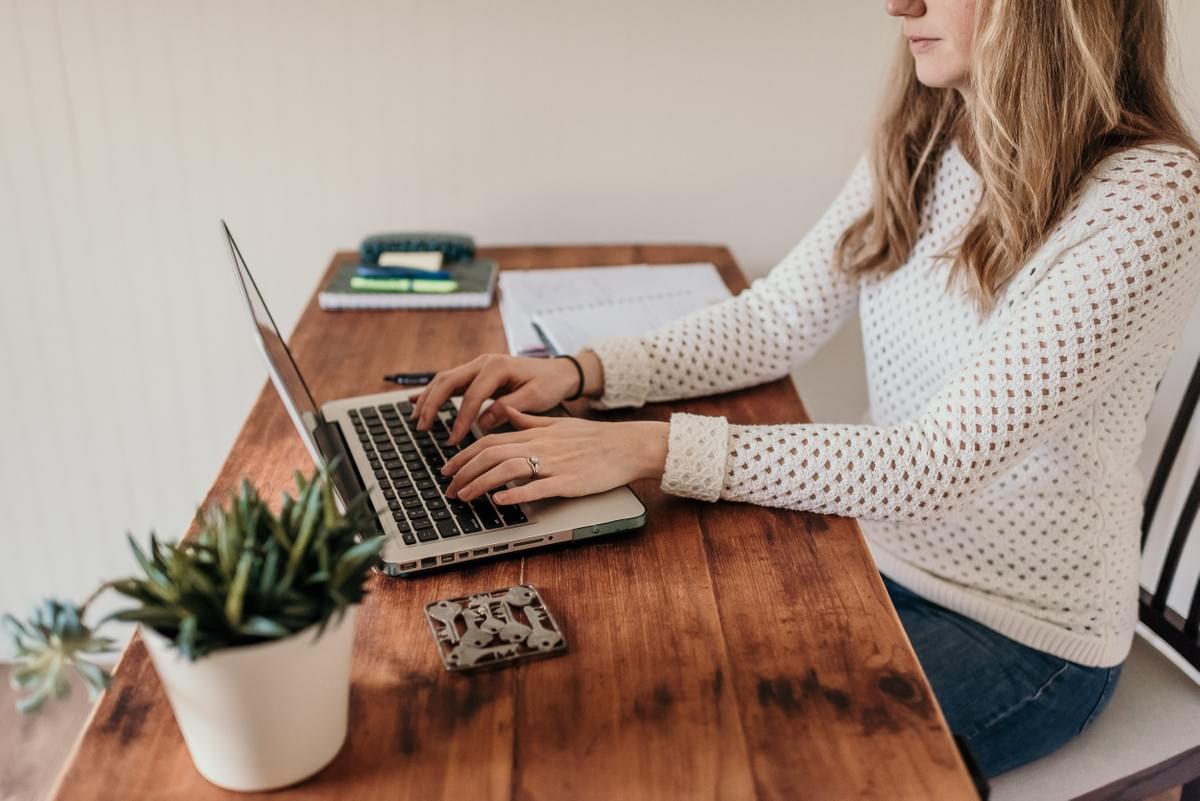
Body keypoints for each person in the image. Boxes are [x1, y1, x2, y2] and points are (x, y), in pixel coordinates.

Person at [410, 0, 1200, 777]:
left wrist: (648, 446)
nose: (900, 5)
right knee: (612, 681)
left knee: (714, 763)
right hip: (866, 549)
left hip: (1022, 634)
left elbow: (936, 460)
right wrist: (586, 372)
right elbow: (774, 321)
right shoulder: (933, 131)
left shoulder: (1152, 196)